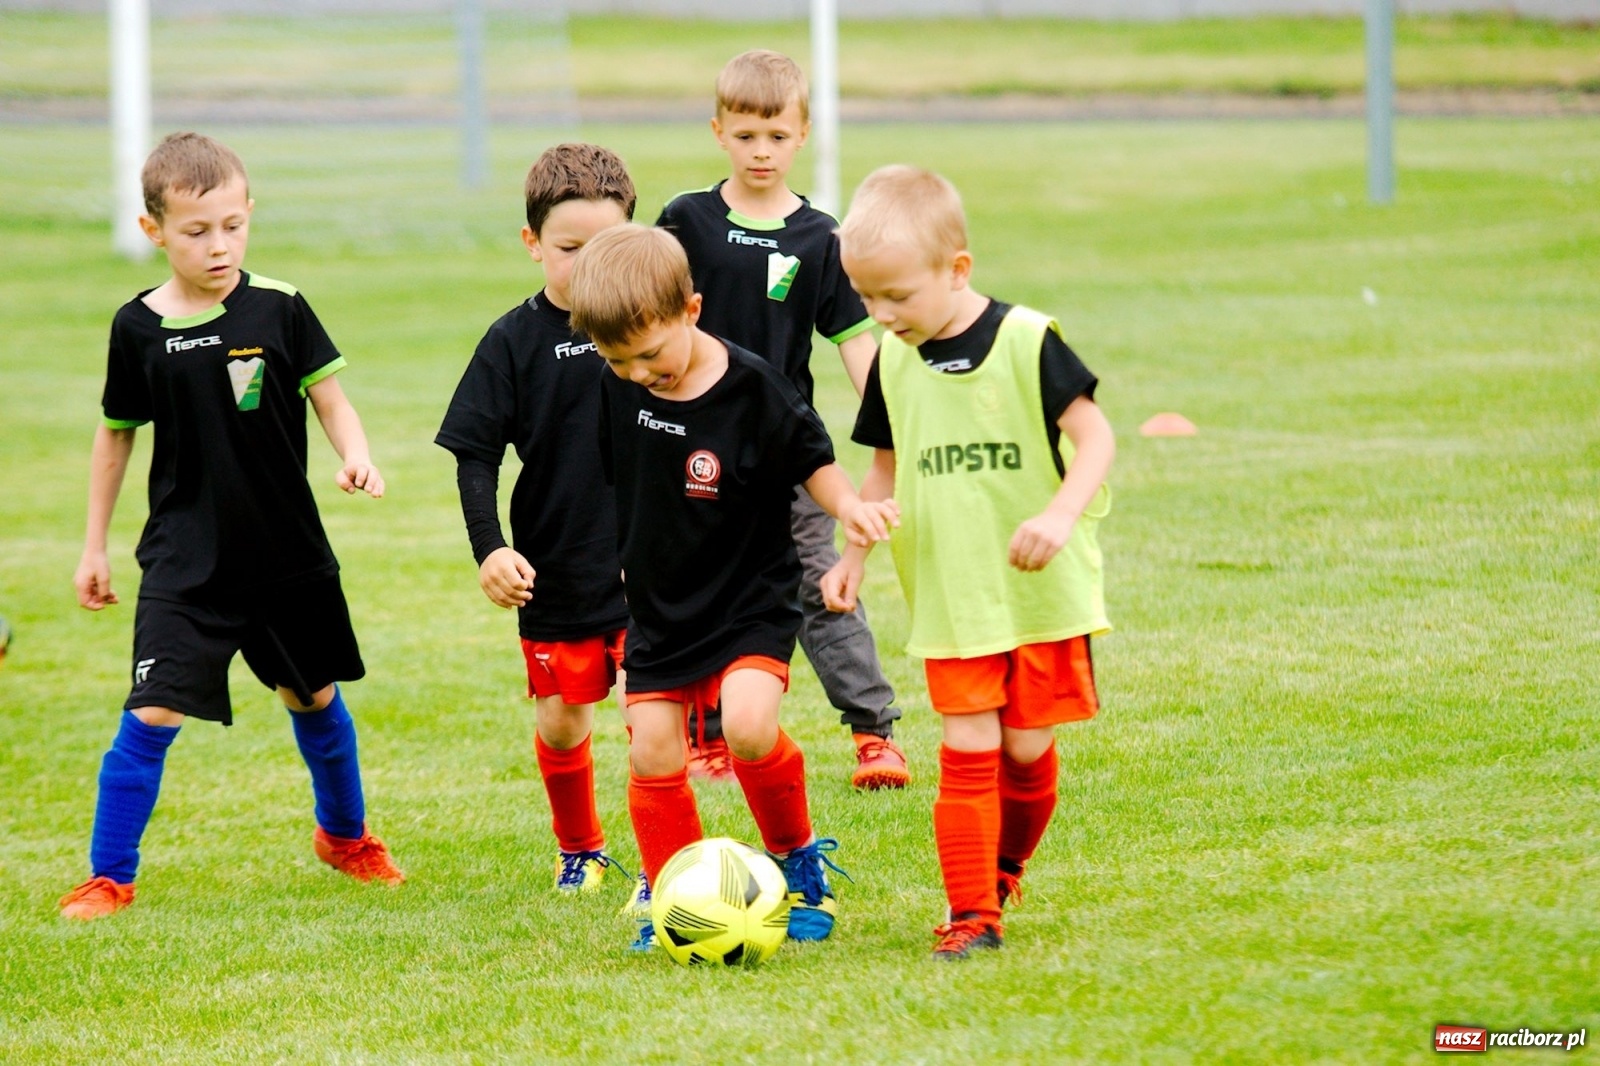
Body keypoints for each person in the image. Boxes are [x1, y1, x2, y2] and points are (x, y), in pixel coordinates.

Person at [60, 132, 402, 921]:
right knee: (151, 711)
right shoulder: (136, 329)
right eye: (195, 231)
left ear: (249, 214)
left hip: (286, 554)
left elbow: (331, 398)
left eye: (232, 225)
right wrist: (92, 548)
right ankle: (109, 876)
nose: (219, 246)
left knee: (314, 699)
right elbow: (116, 433)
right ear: (155, 232)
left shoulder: (279, 306)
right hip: (186, 562)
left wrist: (356, 455)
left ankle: (345, 838)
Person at [568, 224, 899, 949]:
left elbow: (816, 461)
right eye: (616, 359)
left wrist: (853, 512)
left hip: (750, 593)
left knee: (748, 727)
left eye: (649, 354)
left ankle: (797, 862)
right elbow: (615, 482)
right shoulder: (614, 383)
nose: (636, 373)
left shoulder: (754, 389)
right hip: (659, 603)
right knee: (652, 748)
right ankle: (674, 899)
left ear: (690, 310)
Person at [823, 165, 1115, 961]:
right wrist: (855, 553)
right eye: (866, 298)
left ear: (958, 270)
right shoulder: (891, 360)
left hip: (1042, 591)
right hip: (953, 595)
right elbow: (883, 470)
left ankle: (1007, 866)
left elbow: (1096, 437)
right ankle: (972, 914)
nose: (882, 316)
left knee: (1025, 750)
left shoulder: (1028, 339)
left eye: (898, 297)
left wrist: (1059, 513)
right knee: (967, 749)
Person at [655, 49, 908, 790]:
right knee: (699, 586)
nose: (760, 151)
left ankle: (874, 734)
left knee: (819, 582)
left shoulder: (821, 238)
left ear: (803, 136)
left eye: (775, 135)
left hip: (787, 452)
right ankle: (708, 738)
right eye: (744, 135)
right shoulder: (687, 221)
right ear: (718, 132)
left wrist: (889, 420)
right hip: (693, 446)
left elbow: (855, 345)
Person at [435, 143, 635, 896]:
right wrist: (490, 549)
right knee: (562, 724)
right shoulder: (512, 341)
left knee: (653, 723)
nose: (586, 265)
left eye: (605, 247)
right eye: (567, 249)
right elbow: (475, 454)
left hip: (648, 566)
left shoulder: (651, 326)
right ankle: (579, 847)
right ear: (532, 245)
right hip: (557, 569)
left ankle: (664, 862)